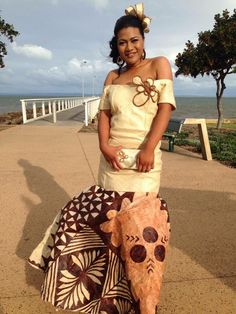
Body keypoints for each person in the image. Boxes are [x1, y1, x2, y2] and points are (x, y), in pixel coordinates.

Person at [28, 3, 176, 314]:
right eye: (122, 42)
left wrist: (150, 147)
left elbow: (165, 108)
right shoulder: (113, 76)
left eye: (134, 40)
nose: (129, 47)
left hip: (145, 162)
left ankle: (145, 303)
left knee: (142, 234)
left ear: (143, 40)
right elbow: (104, 116)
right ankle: (105, 295)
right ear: (116, 45)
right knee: (103, 227)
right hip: (112, 163)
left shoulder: (160, 65)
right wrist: (104, 147)